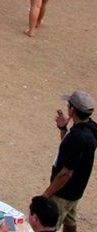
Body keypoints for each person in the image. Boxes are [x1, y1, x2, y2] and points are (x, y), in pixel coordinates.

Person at [43, 90, 97, 231]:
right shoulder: (90, 128)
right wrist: (63, 128)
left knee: (48, 226)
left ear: (72, 110)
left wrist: (46, 194)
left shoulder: (78, 137)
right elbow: (70, 151)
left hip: (63, 193)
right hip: (75, 191)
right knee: (70, 222)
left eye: (68, 106)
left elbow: (66, 173)